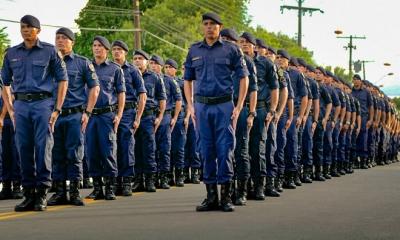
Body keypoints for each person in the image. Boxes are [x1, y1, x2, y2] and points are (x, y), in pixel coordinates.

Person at [1, 15, 68, 211]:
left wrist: (57, 109)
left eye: (29, 27)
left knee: (43, 148)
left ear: (38, 30)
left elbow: (63, 80)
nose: (25, 30)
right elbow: (4, 82)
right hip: (21, 106)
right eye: (22, 27)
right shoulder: (12, 53)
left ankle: (42, 193)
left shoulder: (49, 51)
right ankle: (28, 192)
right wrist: (11, 108)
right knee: (23, 148)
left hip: (43, 104)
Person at [184, 12, 249, 212]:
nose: (209, 27)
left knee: (225, 150)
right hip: (202, 107)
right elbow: (187, 79)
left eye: (213, 24)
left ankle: (226, 197)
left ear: (220, 27)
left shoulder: (231, 50)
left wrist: (238, 107)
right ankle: (211, 196)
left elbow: (243, 78)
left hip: (224, 106)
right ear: (202, 27)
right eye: (206, 24)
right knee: (205, 150)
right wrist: (190, 105)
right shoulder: (194, 50)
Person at [48, 27, 100, 206]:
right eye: (57, 38)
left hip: (74, 115)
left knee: (75, 153)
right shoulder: (49, 62)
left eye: (64, 38)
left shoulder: (82, 63)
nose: (60, 41)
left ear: (72, 42)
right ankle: (60, 192)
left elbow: (94, 87)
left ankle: (75, 191)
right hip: (54, 116)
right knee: (56, 154)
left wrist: (88, 112)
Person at [85, 36, 126, 201]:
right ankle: (97, 188)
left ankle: (110, 187)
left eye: (100, 46)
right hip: (90, 115)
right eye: (94, 45)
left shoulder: (115, 69)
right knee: (91, 152)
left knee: (108, 150)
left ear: (107, 50)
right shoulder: (86, 67)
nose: (97, 48)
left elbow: (121, 93)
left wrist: (119, 115)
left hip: (107, 115)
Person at [111, 40, 146, 196]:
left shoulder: (133, 70)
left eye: (119, 49)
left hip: (128, 113)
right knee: (112, 147)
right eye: (114, 49)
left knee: (126, 147)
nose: (116, 52)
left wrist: (138, 117)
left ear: (125, 52)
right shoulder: (109, 68)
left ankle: (126, 181)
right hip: (111, 112)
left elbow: (142, 95)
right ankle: (115, 181)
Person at [132, 50, 166, 193]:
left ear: (146, 61)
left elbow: (162, 98)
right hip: (131, 116)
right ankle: (138, 180)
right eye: (135, 59)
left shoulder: (155, 77)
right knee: (135, 149)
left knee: (149, 149)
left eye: (140, 58)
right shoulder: (129, 74)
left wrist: (159, 117)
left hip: (148, 117)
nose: (137, 61)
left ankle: (150, 180)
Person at [149, 54, 182, 189]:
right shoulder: (147, 78)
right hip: (150, 116)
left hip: (165, 116)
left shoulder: (169, 80)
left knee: (164, 148)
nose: (153, 66)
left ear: (161, 66)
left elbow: (178, 100)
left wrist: (174, 118)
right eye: (151, 63)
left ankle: (164, 178)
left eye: (156, 63)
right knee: (151, 149)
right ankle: (153, 176)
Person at [165, 59, 189, 187]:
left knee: (178, 147)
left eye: (170, 67)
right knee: (167, 147)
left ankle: (179, 175)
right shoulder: (163, 81)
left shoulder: (181, 83)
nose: (167, 69)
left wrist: (187, 117)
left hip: (179, 115)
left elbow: (188, 101)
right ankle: (168, 175)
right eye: (166, 67)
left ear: (175, 69)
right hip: (167, 114)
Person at [351, 74, 374, 169]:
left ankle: (363, 160)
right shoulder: (350, 91)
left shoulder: (366, 92)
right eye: (354, 79)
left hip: (364, 117)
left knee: (363, 139)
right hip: (353, 117)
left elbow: (371, 107)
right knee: (354, 138)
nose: (355, 81)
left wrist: (371, 119)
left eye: (357, 79)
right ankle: (355, 160)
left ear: (360, 81)